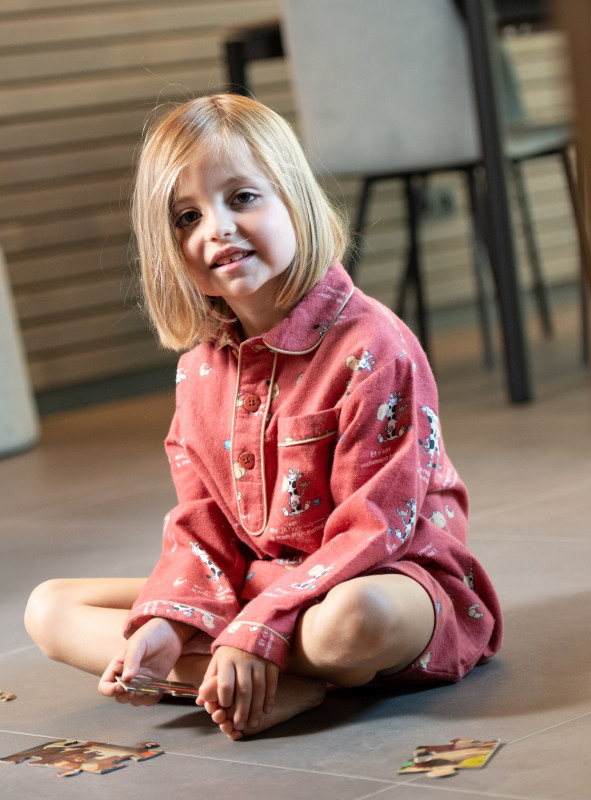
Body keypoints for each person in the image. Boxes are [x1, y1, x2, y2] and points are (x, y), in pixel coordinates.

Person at [24, 94, 503, 740]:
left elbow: (377, 528)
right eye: (186, 217)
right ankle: (259, 675)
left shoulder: (373, 345)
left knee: (353, 622)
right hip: (259, 590)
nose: (215, 228)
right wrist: (166, 623)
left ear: (293, 199)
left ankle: (236, 664)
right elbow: (202, 530)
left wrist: (256, 624)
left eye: (242, 198)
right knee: (49, 608)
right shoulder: (197, 370)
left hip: (389, 578)